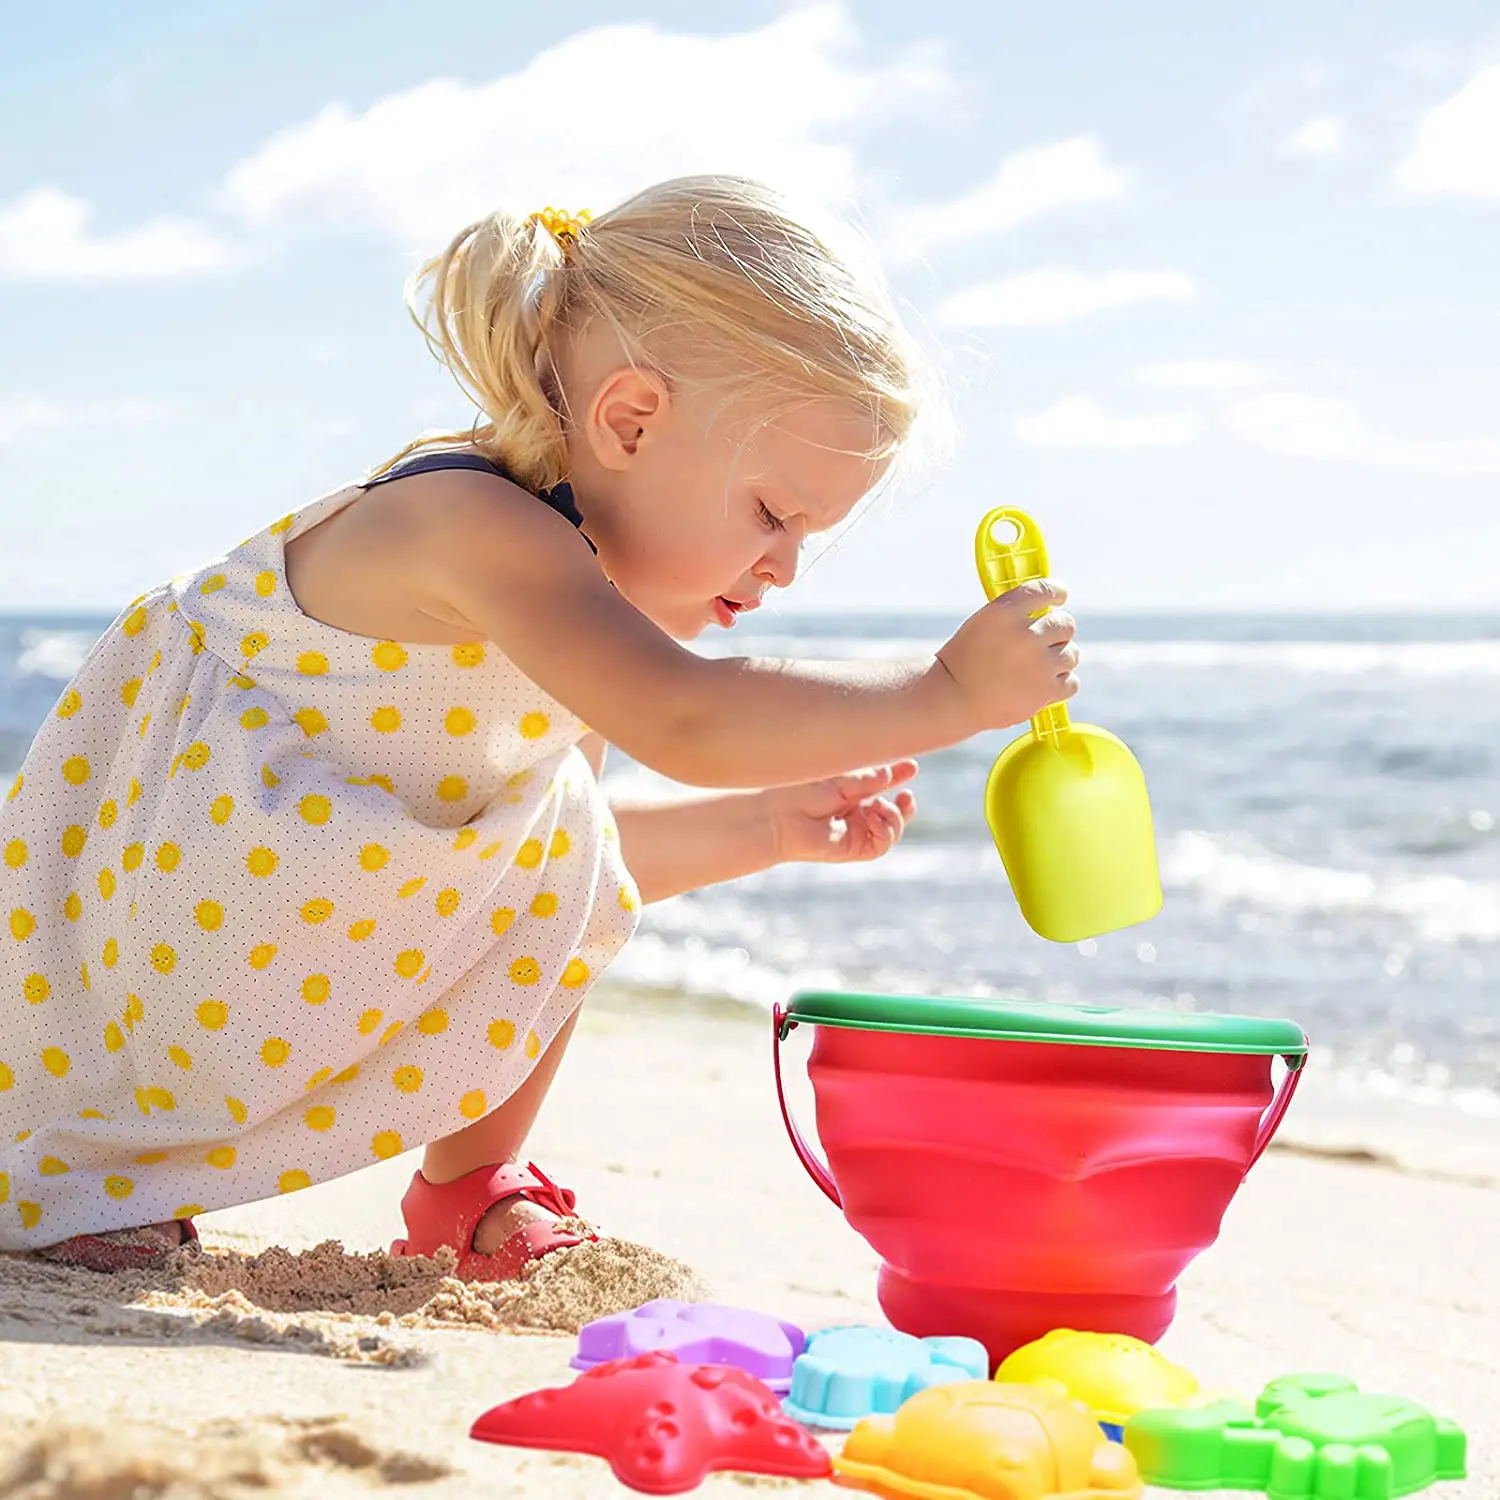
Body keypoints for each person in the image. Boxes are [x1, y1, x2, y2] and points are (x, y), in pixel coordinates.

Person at [0, 176, 1077, 1277]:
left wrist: (763, 827)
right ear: (630, 419)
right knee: (560, 810)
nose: (784, 566)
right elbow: (688, 717)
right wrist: (950, 694)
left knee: (561, 811)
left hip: (282, 912)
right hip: (181, 899)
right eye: (772, 514)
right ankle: (90, 1169)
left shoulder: (574, 616)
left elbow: (549, 869)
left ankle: (468, 1189)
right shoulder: (472, 525)